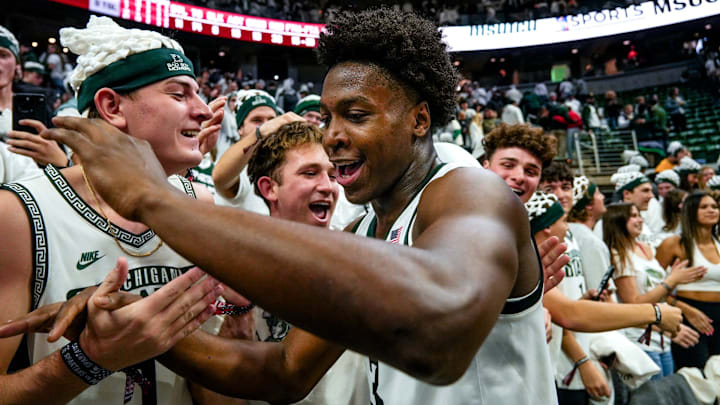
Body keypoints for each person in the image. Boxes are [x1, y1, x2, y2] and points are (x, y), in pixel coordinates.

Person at [44, 9, 570, 404]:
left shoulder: (470, 188)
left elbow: (437, 336)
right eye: (328, 118)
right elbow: (282, 371)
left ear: (419, 120)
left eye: (357, 114)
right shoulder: (366, 228)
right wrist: (138, 332)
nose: (334, 136)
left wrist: (150, 195)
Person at [0, 16, 225, 404]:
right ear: (111, 106)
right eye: (179, 94)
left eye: (198, 93)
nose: (204, 111)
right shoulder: (20, 212)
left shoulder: (201, 205)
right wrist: (89, 359)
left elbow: (218, 382)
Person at [604, 202, 704, 378]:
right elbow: (634, 304)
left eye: (639, 215)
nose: (640, 220)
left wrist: (671, 279)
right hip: (641, 340)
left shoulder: (645, 248)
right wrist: (670, 281)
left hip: (663, 338)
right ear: (617, 220)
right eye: (633, 216)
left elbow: (658, 291)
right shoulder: (619, 255)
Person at [657, 191, 720, 370]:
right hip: (688, 314)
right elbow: (651, 287)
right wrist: (685, 309)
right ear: (690, 211)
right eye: (704, 207)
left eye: (714, 207)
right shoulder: (674, 244)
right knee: (695, 377)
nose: (712, 210)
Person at [212, 89, 281, 214]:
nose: (268, 126)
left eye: (272, 120)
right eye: (257, 120)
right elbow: (220, 179)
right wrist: (259, 133)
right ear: (240, 129)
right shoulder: (238, 169)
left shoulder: (282, 166)